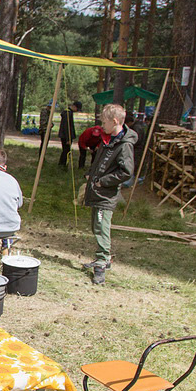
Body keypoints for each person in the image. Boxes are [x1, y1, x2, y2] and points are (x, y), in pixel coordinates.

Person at [82, 103, 136, 285]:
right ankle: (101, 257)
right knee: (96, 226)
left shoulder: (124, 144)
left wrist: (102, 182)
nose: (102, 125)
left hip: (106, 195)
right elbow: (101, 162)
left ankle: (102, 260)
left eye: (104, 122)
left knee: (101, 228)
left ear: (114, 121)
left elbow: (126, 171)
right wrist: (92, 175)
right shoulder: (109, 140)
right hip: (97, 191)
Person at [57, 100, 82, 167]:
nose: (77, 111)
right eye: (77, 109)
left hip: (66, 135)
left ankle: (63, 164)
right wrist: (68, 138)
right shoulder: (68, 113)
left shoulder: (69, 112)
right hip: (66, 136)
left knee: (66, 151)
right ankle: (63, 165)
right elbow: (67, 127)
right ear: (74, 106)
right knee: (66, 151)